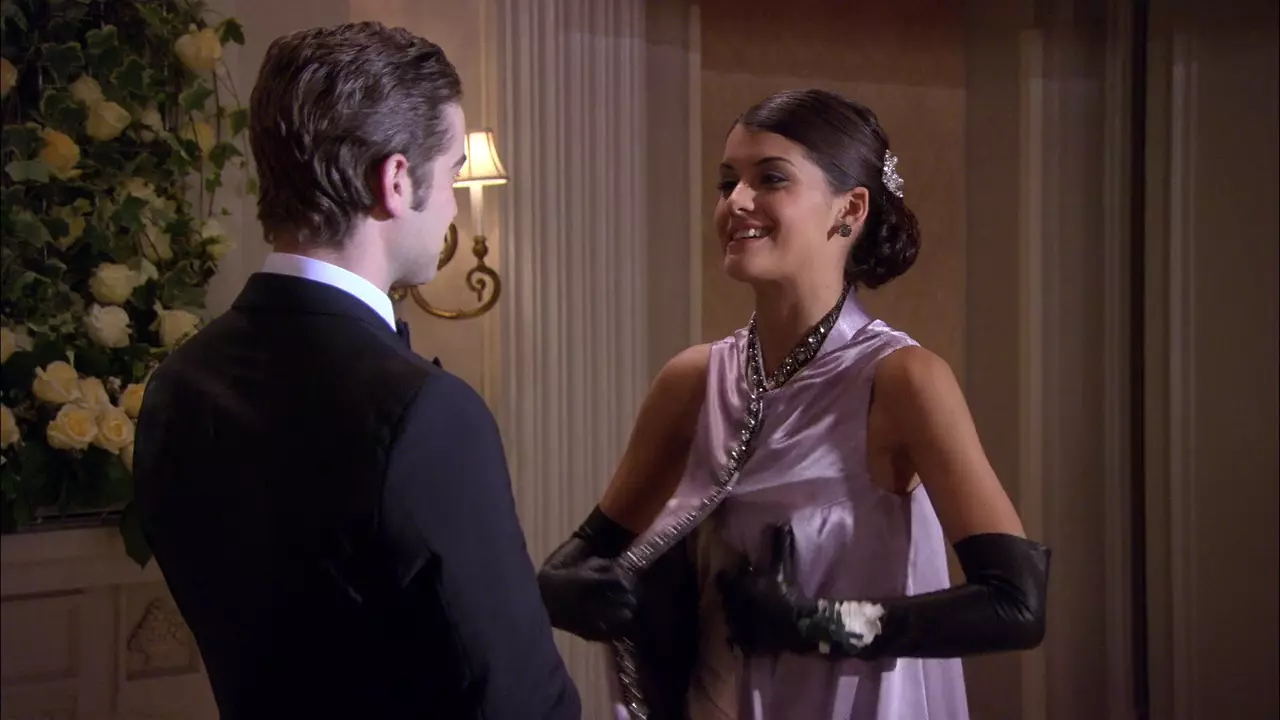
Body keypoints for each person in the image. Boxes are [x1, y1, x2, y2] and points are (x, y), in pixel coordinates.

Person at [537, 89, 1051, 720]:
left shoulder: (903, 381)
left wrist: (812, 623)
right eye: (727, 182)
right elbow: (585, 555)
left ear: (850, 209)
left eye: (770, 178)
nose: (736, 202)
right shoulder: (692, 381)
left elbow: (1016, 604)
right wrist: (557, 588)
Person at [132, 22, 579, 720]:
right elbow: (520, 702)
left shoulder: (177, 385)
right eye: (453, 170)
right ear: (396, 181)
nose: (453, 202)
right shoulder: (427, 413)